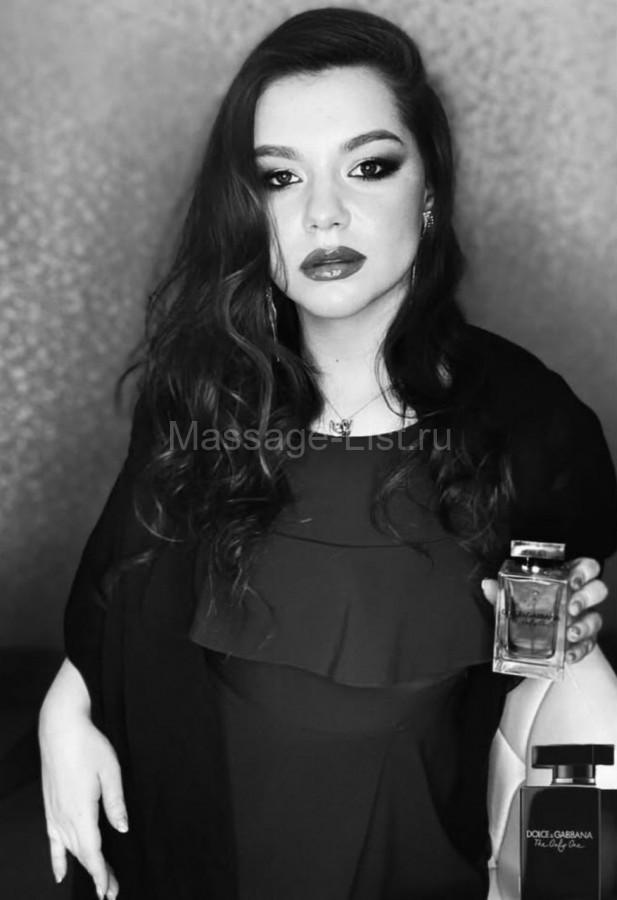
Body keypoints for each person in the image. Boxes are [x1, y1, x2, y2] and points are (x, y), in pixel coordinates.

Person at [38, 7, 617, 900]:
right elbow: (121, 586)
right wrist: (64, 709)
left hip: (433, 850)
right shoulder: (202, 395)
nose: (322, 212)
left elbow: (549, 670)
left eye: (369, 165)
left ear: (428, 190)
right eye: (279, 178)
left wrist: (567, 640)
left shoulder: (527, 416)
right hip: (205, 848)